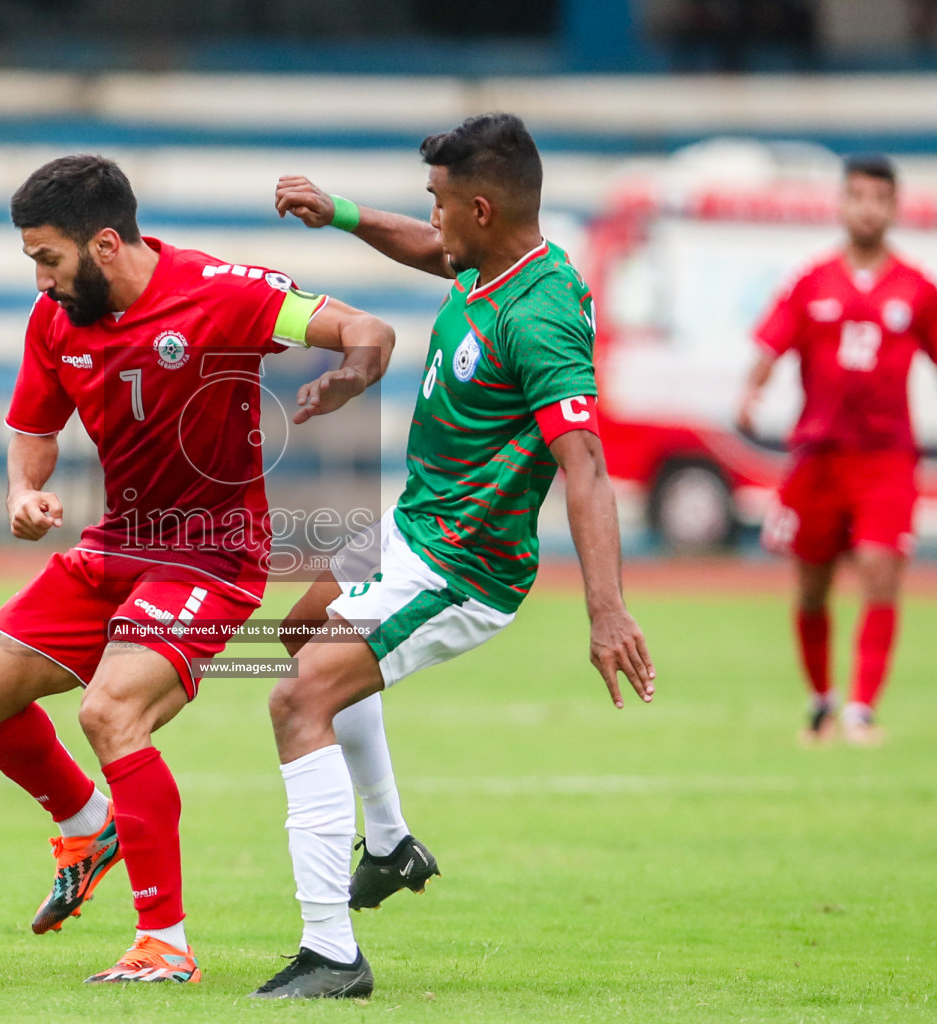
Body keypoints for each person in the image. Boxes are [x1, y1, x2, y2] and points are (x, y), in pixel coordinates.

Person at [0, 154, 395, 983]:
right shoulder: (55, 321)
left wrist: (350, 374)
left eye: (48, 258)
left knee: (111, 712)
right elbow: (33, 432)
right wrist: (23, 492)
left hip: (214, 555)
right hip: (119, 543)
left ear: (105, 244)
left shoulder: (225, 292)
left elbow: (370, 327)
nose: (39, 280)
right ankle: (86, 822)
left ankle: (164, 944)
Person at [255, 112, 655, 999]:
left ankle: (330, 955)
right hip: (412, 526)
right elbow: (431, 253)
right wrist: (344, 214)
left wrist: (606, 608)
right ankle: (391, 844)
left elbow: (583, 467)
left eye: (436, 202)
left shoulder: (542, 314)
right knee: (299, 633)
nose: (428, 217)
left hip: (459, 568)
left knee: (296, 703)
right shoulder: (485, 260)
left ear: (480, 206)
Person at [738, 153, 937, 746]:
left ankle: (861, 712)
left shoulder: (919, 288)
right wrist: (752, 389)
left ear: (894, 208)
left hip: (886, 457)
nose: (868, 208)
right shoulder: (809, 280)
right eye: (858, 196)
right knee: (812, 588)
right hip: (818, 456)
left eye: (879, 198)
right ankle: (822, 703)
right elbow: (770, 346)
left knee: (880, 571)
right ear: (842, 203)